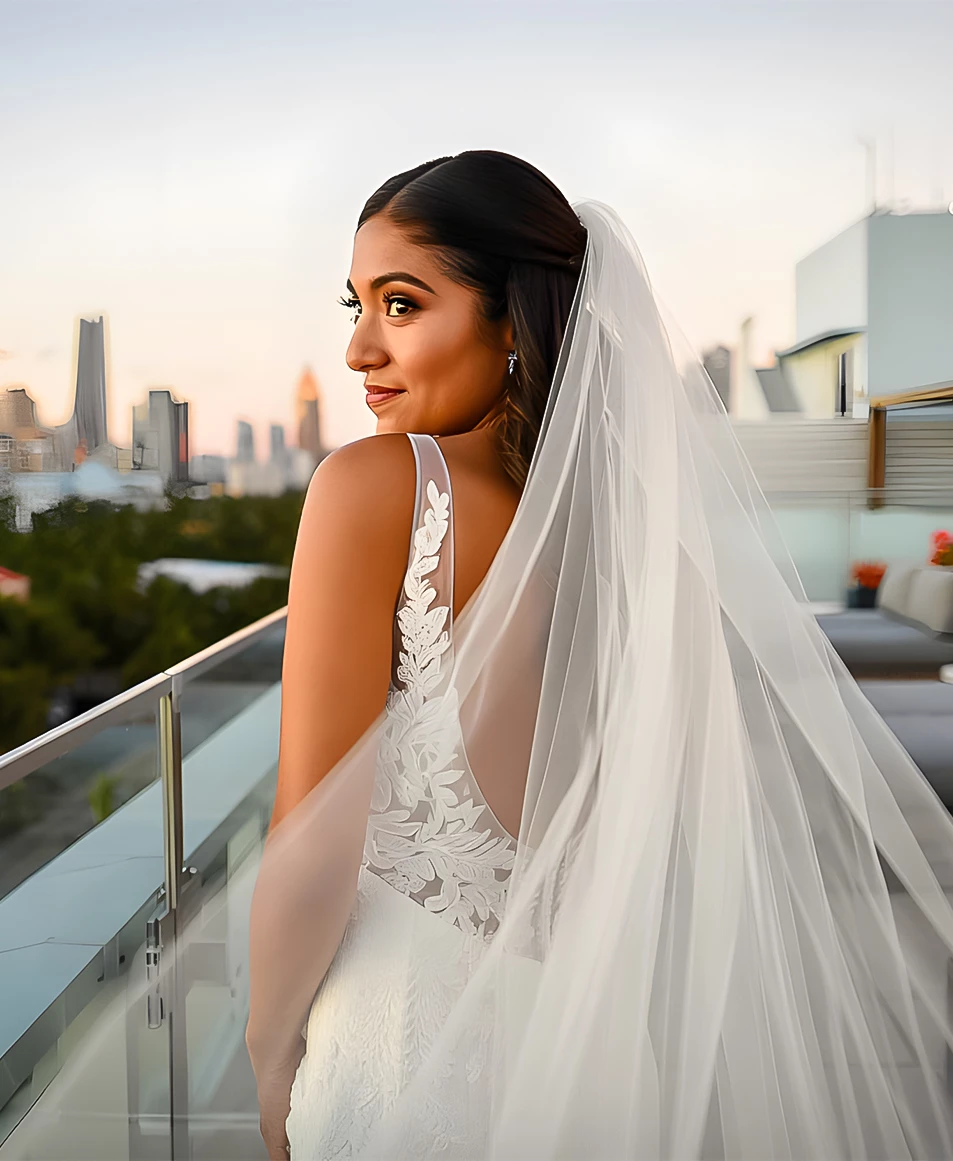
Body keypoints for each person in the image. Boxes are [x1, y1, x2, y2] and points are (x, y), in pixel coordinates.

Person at [245, 151, 953, 1160]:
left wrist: (269, 1050)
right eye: (355, 307)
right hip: (595, 1049)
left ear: (509, 320)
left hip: (402, 1049)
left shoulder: (371, 486)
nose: (360, 348)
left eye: (400, 305)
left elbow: (312, 834)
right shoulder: (627, 522)